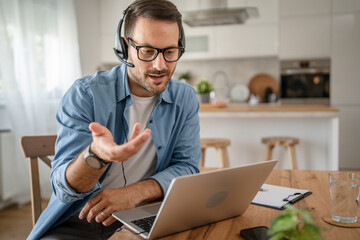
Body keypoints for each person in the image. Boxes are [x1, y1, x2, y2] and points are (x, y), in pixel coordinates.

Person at [28, 0, 201, 239]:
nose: (160, 65)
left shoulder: (185, 98)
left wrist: (134, 193)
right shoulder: (85, 94)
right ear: (124, 47)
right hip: (80, 221)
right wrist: (96, 156)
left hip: (148, 213)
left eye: (170, 52)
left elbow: (188, 167)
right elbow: (64, 191)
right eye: (148, 51)